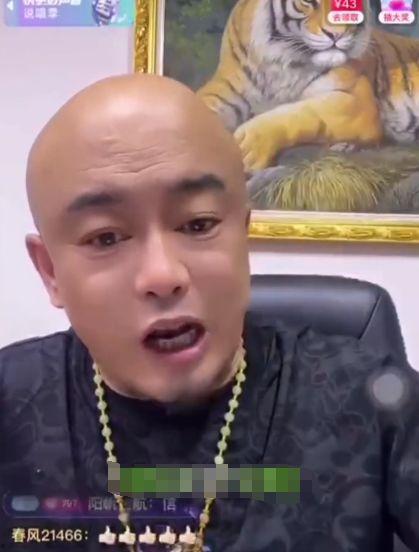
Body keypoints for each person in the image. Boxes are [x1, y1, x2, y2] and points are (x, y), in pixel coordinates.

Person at [0, 74, 418, 552]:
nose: (163, 275)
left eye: (198, 224)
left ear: (243, 234)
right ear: (51, 271)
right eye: (106, 238)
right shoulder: (11, 401)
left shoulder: (374, 401)